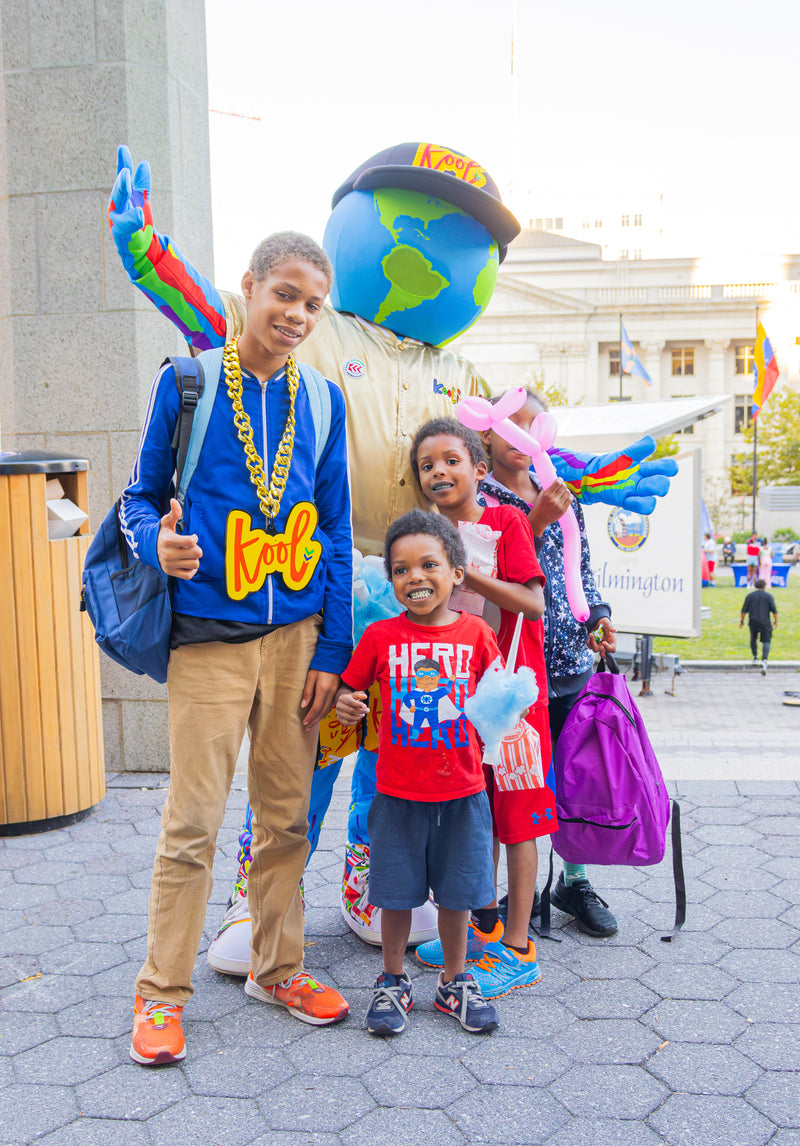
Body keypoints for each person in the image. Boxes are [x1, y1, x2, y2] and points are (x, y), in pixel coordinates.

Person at [107, 143, 679, 962]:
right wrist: (148, 253)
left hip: (422, 595)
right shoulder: (320, 328)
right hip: (321, 580)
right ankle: (257, 901)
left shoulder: (463, 372)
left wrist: (597, 475)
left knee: (397, 749)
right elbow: (213, 313)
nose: (433, 254)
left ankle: (376, 883)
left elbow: (521, 456)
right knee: (308, 746)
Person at [121, 232, 353, 1066]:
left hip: (297, 642)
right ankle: (160, 993)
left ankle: (277, 968)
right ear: (249, 287)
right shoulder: (187, 383)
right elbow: (138, 499)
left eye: (313, 304)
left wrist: (334, 649)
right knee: (194, 821)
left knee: (286, 818)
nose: (297, 315)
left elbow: (336, 531)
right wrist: (158, 545)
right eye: (284, 294)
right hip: (210, 641)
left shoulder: (322, 400)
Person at [336, 509, 501, 1036]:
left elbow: (499, 696)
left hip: (462, 791)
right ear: (391, 579)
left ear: (457, 573)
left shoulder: (477, 634)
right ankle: (392, 979)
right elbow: (349, 688)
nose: (415, 577)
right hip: (397, 793)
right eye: (401, 569)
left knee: (457, 893)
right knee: (394, 893)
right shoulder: (380, 637)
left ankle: (454, 981)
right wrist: (347, 704)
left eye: (429, 564)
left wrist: (509, 712)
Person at [409, 417, 553, 1000]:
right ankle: (483, 924)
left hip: (513, 695)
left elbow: (533, 603)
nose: (439, 471)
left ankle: (518, 947)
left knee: (517, 817)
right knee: (476, 811)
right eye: (427, 465)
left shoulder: (506, 522)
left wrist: (465, 572)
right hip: (459, 696)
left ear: (480, 468)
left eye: (451, 460)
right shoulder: (425, 535)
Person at [476, 389, 619, 937]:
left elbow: (581, 572)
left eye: (533, 424)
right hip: (512, 667)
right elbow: (487, 574)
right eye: (511, 424)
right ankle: (506, 896)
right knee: (510, 782)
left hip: (571, 660)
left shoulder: (561, 494)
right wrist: (533, 522)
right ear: (488, 431)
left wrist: (598, 616)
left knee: (574, 777)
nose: (523, 435)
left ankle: (573, 881)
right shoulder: (479, 497)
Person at [740, 578, 778, 674]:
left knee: (753, 638)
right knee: (766, 640)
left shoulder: (750, 596)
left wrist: (742, 621)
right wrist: (776, 621)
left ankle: (755, 656)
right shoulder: (769, 596)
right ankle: (764, 659)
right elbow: (774, 611)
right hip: (765, 621)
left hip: (753, 621)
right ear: (765, 586)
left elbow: (743, 611)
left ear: (755, 586)